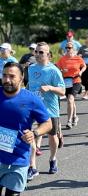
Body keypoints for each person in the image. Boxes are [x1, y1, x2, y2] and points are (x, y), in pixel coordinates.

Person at [0, 62, 52, 195]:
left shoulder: (31, 99)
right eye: (4, 75)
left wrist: (35, 133)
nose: (7, 80)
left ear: (21, 78)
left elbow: (48, 123)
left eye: (12, 76)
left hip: (18, 159)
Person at [27, 42, 65, 179]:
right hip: (32, 108)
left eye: (41, 52)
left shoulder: (54, 70)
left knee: (52, 137)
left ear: (48, 54)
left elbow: (62, 91)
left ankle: (53, 158)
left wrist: (50, 88)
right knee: (31, 135)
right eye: (36, 52)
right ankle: (32, 167)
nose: (37, 54)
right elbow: (28, 85)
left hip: (50, 109)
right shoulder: (30, 68)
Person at [56, 42, 86, 129]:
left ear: (73, 48)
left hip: (76, 80)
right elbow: (57, 69)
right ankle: (74, 116)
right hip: (66, 82)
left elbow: (84, 66)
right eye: (67, 48)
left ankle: (69, 121)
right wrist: (62, 72)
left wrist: (80, 72)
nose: (68, 49)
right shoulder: (62, 59)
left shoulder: (78, 58)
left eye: (69, 47)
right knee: (71, 100)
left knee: (70, 99)